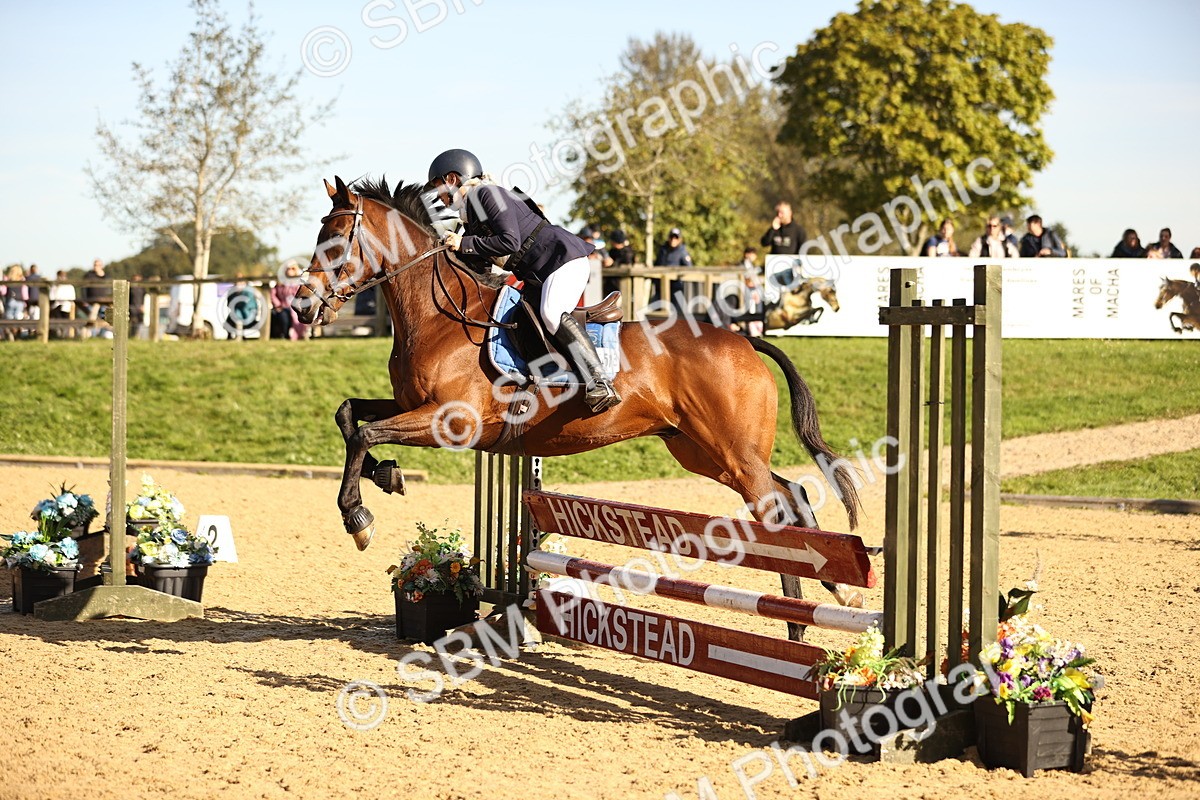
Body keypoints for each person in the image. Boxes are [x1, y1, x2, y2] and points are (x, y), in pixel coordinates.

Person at [429, 148, 619, 413]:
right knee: (517, 319)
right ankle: (538, 383)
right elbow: (479, 261)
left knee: (551, 313)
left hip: (562, 260)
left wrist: (464, 243)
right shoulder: (471, 215)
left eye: (438, 186)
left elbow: (510, 241)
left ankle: (600, 382)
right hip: (540, 273)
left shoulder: (486, 194)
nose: (438, 196)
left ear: (452, 179)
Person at [271, 262, 309, 341]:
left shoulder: (299, 282)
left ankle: (299, 335)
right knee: (283, 317)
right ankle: (285, 336)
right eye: (288, 269)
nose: (290, 271)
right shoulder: (280, 282)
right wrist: (278, 305)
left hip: (296, 307)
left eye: (292, 268)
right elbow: (273, 294)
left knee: (299, 316)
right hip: (283, 307)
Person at [603, 229, 634, 296]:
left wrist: (612, 263)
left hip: (621, 288)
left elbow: (625, 266)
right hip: (610, 288)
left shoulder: (627, 252)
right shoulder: (612, 251)